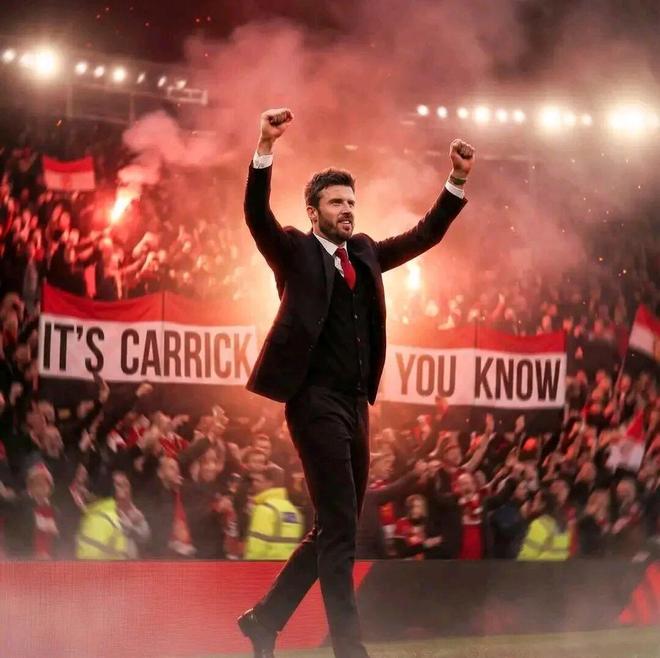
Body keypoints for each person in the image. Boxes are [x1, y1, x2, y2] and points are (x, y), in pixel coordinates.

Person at [238, 107, 474, 658]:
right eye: (336, 203)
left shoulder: (364, 251)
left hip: (355, 406)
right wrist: (265, 147)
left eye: (350, 202)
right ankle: (350, 649)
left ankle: (263, 621)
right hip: (312, 402)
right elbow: (255, 215)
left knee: (333, 529)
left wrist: (457, 180)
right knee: (341, 530)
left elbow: (424, 235)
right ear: (313, 212)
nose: (347, 210)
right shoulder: (294, 250)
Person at [244, 464, 303, 560]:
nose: (253, 484)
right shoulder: (293, 510)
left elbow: (256, 547)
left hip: (265, 566)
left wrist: (248, 566)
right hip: (287, 566)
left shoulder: (265, 510)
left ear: (270, 483)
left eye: (258, 480)